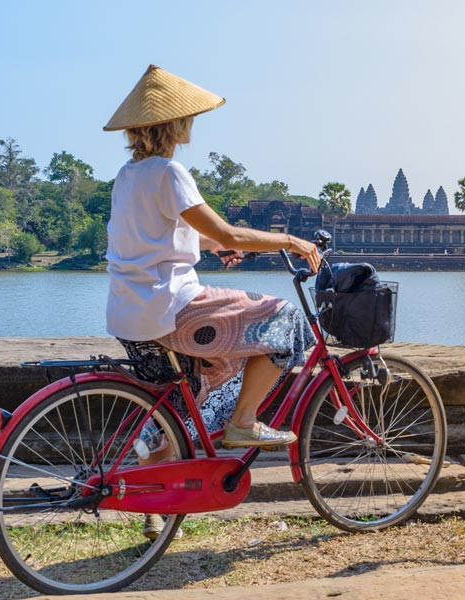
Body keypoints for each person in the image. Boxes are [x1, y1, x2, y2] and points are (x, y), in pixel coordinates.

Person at [102, 65, 322, 538]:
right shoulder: (169, 172)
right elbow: (223, 228)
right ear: (176, 125)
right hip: (171, 308)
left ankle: (153, 506)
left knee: (180, 406)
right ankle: (244, 420)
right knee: (285, 320)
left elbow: (156, 239)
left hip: (128, 313)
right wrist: (290, 240)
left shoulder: (128, 175)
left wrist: (212, 247)